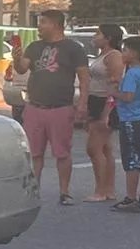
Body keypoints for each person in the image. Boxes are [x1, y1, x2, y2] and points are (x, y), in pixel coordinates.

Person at [9, 10, 89, 203]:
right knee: (34, 153)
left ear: (56, 25)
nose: (39, 26)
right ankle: (34, 192)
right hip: (35, 107)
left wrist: (82, 104)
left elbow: (84, 78)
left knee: (62, 153)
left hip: (60, 108)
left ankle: (64, 192)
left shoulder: (73, 48)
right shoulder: (35, 46)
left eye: (43, 22)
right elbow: (22, 68)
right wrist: (16, 57)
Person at [110, 36, 140, 212]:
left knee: (131, 161)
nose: (123, 53)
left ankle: (130, 198)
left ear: (134, 53)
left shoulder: (132, 73)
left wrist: (114, 92)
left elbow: (128, 97)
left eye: (125, 50)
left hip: (131, 120)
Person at [84, 24, 125, 201]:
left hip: (104, 102)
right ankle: (108, 190)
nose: (95, 36)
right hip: (95, 101)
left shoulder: (114, 56)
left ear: (108, 38)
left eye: (98, 33)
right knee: (105, 148)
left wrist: (107, 112)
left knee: (94, 148)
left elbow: (115, 84)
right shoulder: (102, 55)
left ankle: (101, 190)